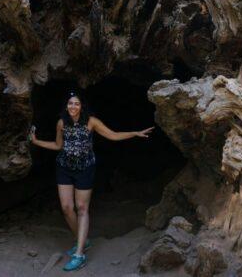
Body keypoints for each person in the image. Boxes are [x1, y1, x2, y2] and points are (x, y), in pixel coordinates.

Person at [29, 91, 154, 271]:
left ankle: (79, 254)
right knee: (66, 208)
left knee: (82, 208)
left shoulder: (91, 121)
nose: (73, 106)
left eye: (76, 104)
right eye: (70, 103)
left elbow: (112, 135)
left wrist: (134, 133)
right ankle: (84, 241)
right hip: (64, 167)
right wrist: (36, 141)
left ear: (82, 107)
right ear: (66, 106)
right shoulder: (61, 123)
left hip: (85, 169)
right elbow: (58, 146)